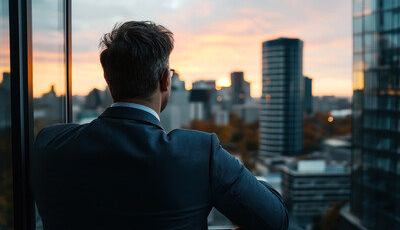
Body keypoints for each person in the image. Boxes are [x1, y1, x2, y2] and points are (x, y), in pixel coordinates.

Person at [30, 21, 289, 230]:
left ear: (109, 81)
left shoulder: (50, 143)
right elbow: (275, 220)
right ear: (165, 80)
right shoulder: (199, 152)